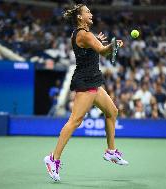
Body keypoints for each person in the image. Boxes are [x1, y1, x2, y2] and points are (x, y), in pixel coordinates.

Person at [44, 4, 128, 182]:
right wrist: (112, 45)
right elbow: (103, 51)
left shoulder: (83, 35)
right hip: (85, 82)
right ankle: (52, 159)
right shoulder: (84, 35)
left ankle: (111, 151)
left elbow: (101, 52)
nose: (91, 13)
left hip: (94, 81)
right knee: (75, 121)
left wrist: (107, 45)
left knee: (112, 112)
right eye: (87, 11)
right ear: (80, 17)